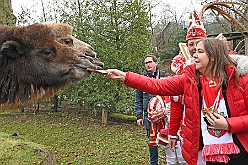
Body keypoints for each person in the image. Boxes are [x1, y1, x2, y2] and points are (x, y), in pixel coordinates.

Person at [106, 38, 248, 165]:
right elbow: (158, 85)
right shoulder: (190, 79)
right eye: (194, 51)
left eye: (200, 51)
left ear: (213, 56)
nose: (194, 55)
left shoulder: (241, 80)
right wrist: (125, 77)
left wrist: (228, 124)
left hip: (241, 151)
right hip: (209, 153)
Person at [169, 10, 207, 165]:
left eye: (198, 43)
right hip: (193, 132)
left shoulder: (221, 68)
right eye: (191, 44)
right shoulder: (181, 71)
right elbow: (176, 103)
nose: (193, 48)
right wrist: (172, 133)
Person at [134, 55, 164, 165]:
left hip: (165, 115)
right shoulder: (142, 80)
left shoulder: (164, 76)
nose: (148, 64)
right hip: (148, 116)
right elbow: (138, 99)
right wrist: (139, 116)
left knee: (168, 137)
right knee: (152, 141)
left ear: (156, 63)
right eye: (146, 63)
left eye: (150, 62)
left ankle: (172, 160)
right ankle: (154, 162)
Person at [147, 93, 188, 165]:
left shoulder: (182, 96)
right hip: (167, 134)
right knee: (170, 160)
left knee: (183, 159)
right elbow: (151, 117)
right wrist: (163, 112)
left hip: (182, 133)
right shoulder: (157, 100)